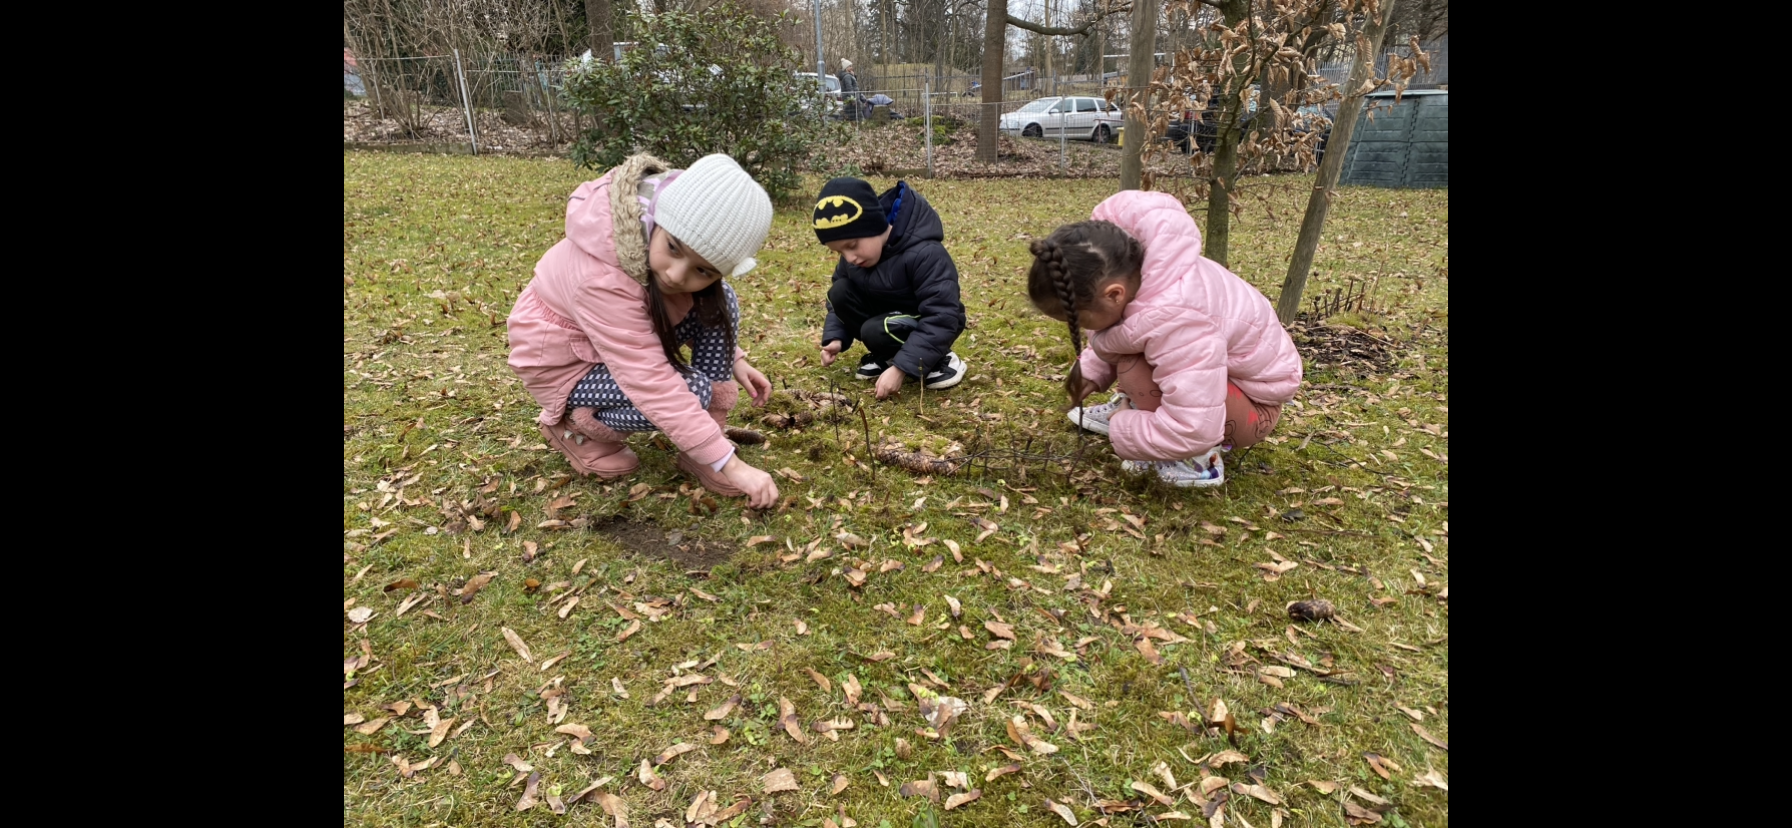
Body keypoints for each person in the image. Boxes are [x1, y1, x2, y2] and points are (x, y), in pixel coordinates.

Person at [506, 153, 782, 508]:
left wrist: (734, 358)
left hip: (616, 342)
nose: (676, 275)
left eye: (703, 270)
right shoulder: (602, 280)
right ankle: (574, 425)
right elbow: (649, 380)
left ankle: (704, 445)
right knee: (691, 389)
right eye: (673, 249)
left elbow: (705, 305)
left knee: (720, 301)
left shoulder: (656, 255)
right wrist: (731, 465)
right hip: (566, 363)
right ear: (656, 219)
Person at [1025, 190, 1303, 487]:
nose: (1079, 328)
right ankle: (1148, 412)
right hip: (1216, 385)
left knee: (1135, 369)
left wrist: (1126, 427)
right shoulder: (1143, 275)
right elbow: (1124, 329)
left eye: (1078, 320)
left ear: (1115, 294)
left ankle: (1197, 462)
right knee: (1142, 357)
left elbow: (1195, 426)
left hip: (1253, 409)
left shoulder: (1178, 315)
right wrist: (1093, 371)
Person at [813, 177, 967, 400]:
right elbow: (839, 303)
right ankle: (885, 356)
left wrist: (900, 369)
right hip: (886, 322)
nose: (850, 258)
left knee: (876, 329)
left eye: (852, 246)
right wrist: (835, 337)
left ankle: (942, 360)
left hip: (928, 322)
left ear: (874, 225)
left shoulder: (925, 254)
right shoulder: (854, 260)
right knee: (840, 291)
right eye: (840, 252)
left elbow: (943, 315)